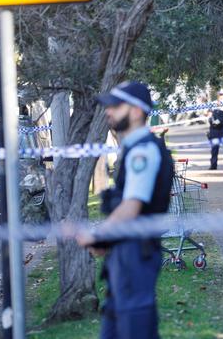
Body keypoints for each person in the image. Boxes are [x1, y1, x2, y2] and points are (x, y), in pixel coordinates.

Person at [77, 81, 174, 339]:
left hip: (136, 256)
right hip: (125, 254)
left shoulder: (142, 150)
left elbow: (132, 207)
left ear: (136, 112)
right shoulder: (133, 149)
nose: (108, 111)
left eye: (116, 106)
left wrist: (99, 235)